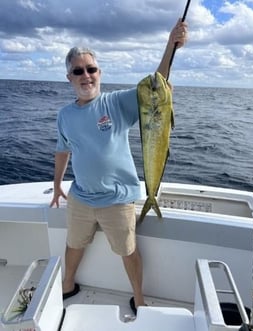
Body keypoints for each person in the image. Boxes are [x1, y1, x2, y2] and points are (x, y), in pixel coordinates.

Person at [50, 19, 188, 314]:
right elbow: (62, 151)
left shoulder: (117, 103)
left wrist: (170, 44)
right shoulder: (64, 115)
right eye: (78, 70)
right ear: (69, 78)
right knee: (74, 243)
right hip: (81, 197)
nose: (86, 75)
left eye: (91, 69)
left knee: (128, 250)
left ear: (99, 73)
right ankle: (67, 283)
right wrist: (57, 186)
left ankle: (138, 297)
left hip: (118, 199)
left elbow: (156, 83)